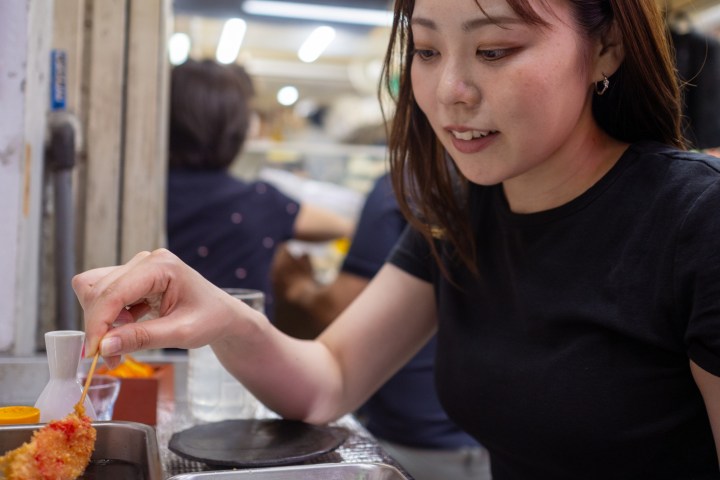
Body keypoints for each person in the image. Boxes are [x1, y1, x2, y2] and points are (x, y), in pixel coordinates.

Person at [73, 1, 720, 478]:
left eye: (494, 51)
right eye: (428, 51)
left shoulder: (695, 220)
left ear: (605, 47)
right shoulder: (461, 213)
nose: (449, 92)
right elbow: (330, 378)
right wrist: (220, 314)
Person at [271, 173, 490, 480]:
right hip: (487, 439)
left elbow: (338, 309)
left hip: (414, 439)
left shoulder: (403, 186)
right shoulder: (497, 189)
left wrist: (298, 287)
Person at [166, 59, 353, 317]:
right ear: (236, 128)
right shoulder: (259, 201)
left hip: (146, 350)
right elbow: (342, 226)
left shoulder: (147, 196)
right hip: (236, 353)